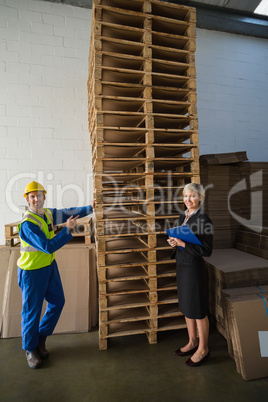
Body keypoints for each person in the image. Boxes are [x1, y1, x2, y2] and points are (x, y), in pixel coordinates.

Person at [17, 181, 95, 369]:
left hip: (49, 267)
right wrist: (67, 230)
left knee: (58, 302)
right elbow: (47, 246)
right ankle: (30, 349)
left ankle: (41, 338)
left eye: (39, 195)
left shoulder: (48, 214)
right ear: (27, 200)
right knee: (31, 312)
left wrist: (90, 207)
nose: (36, 199)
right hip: (32, 272)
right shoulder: (28, 224)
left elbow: (68, 211)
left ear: (44, 196)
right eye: (32, 196)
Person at [167, 183, 213, 367]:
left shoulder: (204, 219)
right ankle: (192, 341)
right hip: (182, 266)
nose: (188, 200)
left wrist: (184, 245)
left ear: (200, 198)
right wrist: (173, 242)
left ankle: (203, 349)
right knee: (186, 306)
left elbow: (207, 250)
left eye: (192, 196)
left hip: (194, 269)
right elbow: (180, 238)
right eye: (185, 196)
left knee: (199, 309)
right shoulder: (182, 217)